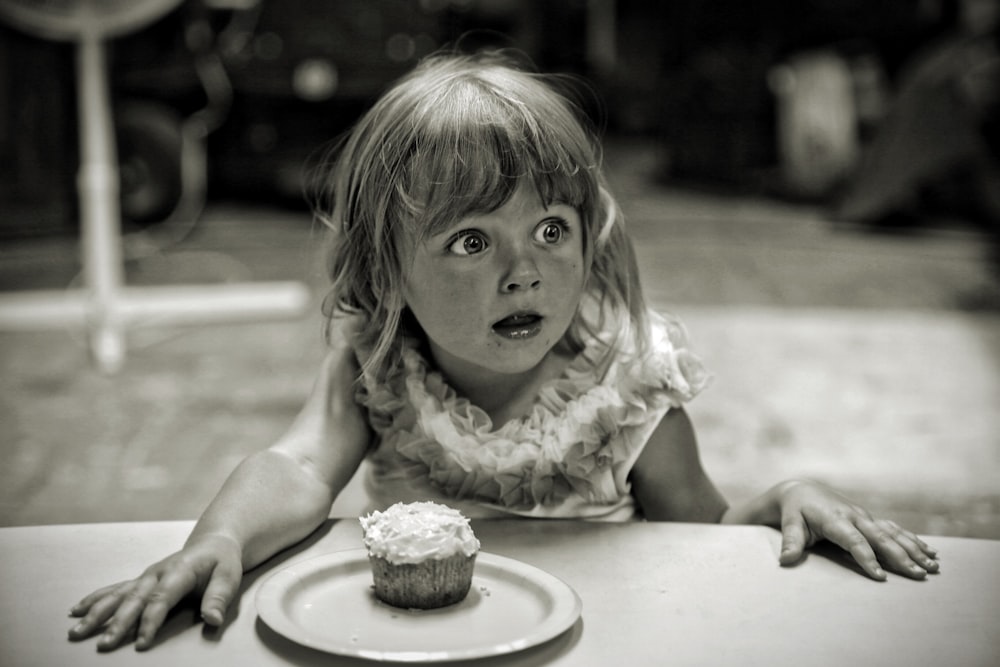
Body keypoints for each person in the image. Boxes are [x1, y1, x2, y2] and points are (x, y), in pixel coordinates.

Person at [68, 50, 940, 652]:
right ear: (386, 268)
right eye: (471, 243)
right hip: (414, 648)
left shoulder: (626, 387)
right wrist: (218, 538)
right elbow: (297, 467)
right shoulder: (381, 365)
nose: (524, 272)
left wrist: (785, 497)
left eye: (550, 229)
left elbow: (701, 540)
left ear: (590, 237)